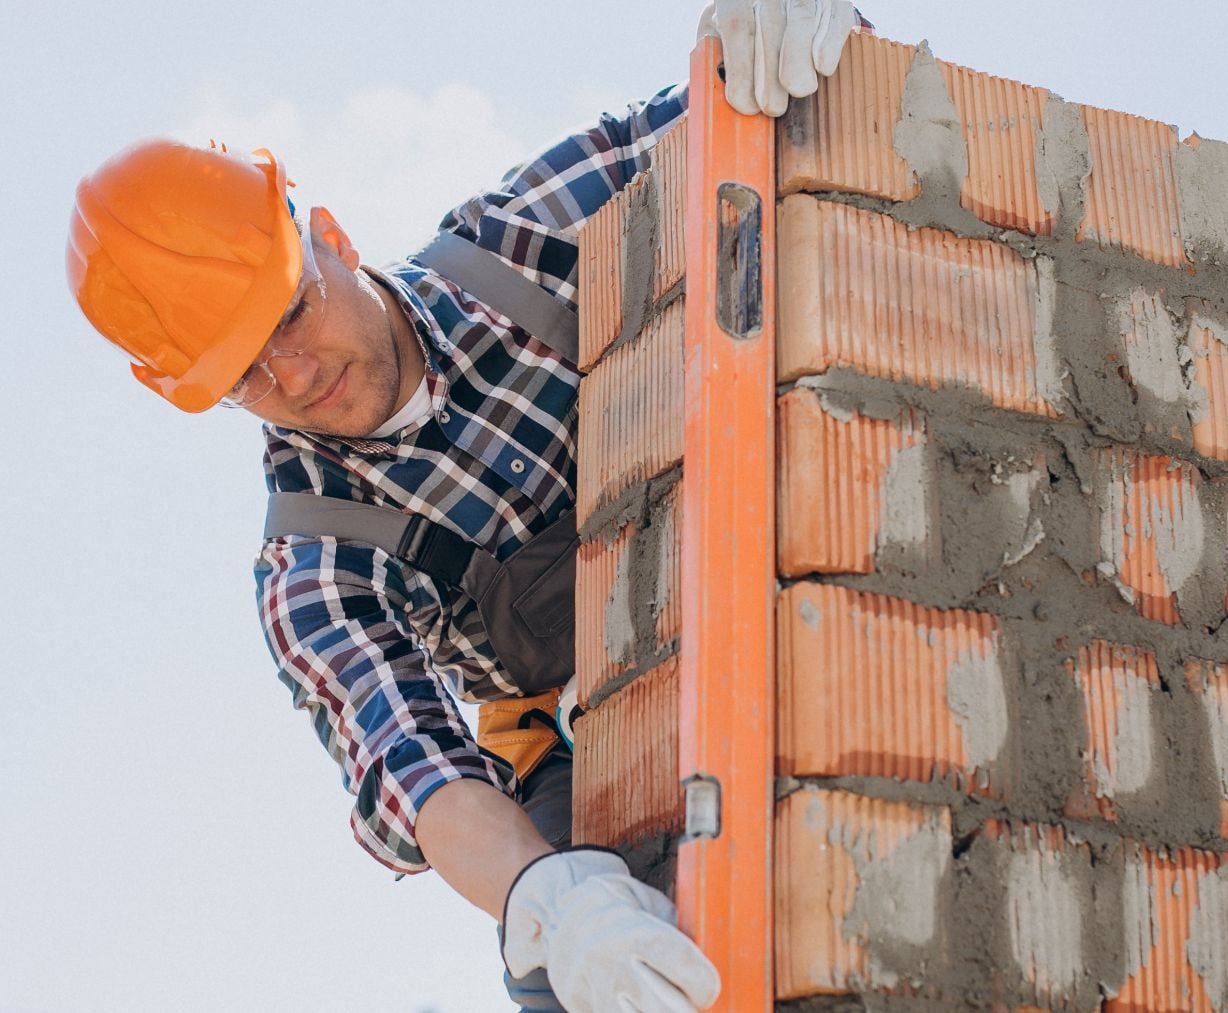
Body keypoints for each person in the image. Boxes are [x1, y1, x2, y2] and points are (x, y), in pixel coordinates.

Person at [64, 4, 862, 1010]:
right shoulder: (317, 564)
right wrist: (551, 896)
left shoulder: (527, 241)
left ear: (331, 240)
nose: (296, 374)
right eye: (244, 373)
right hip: (585, 752)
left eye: (288, 314)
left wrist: (789, 28)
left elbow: (746, 97)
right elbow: (419, 768)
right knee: (577, 972)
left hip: (771, 578)